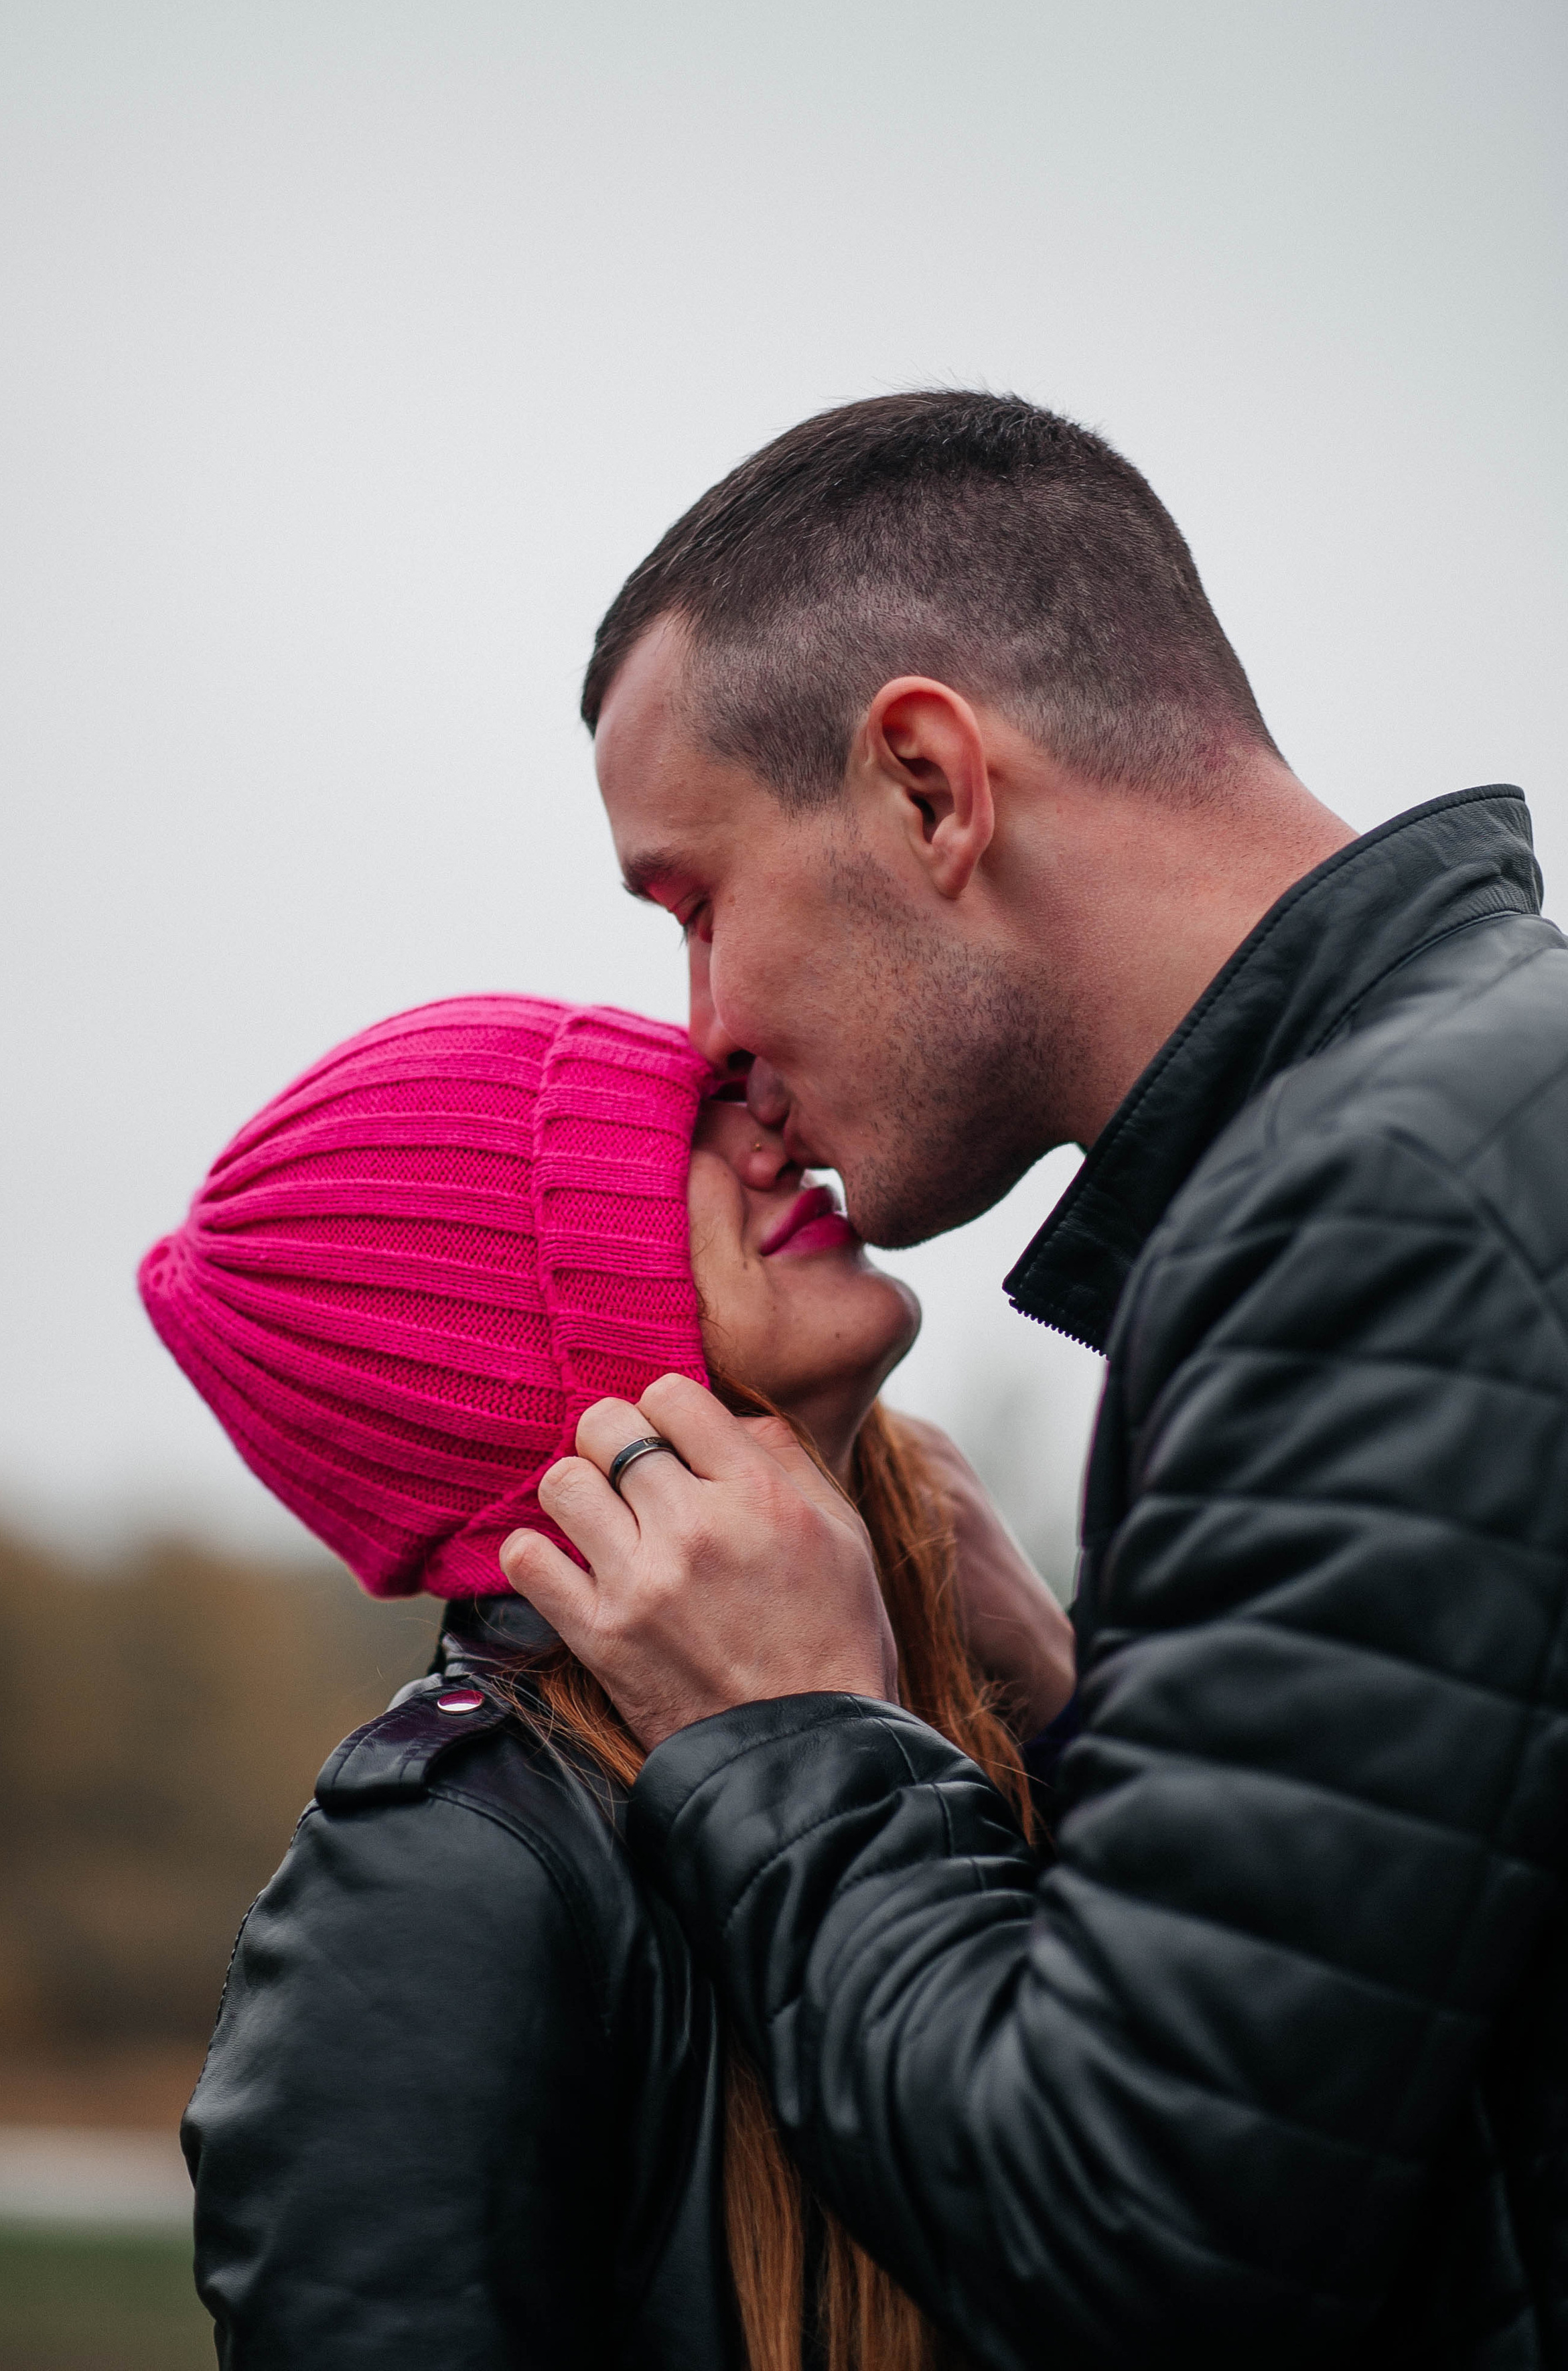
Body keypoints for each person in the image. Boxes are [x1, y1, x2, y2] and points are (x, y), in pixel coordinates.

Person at [502, 392, 1568, 2366]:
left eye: (694, 905)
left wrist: (797, 1728)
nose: (705, 1033)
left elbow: (1141, 2251)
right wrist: (1095, 1716)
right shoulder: (1486, 1112)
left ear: (928, 786)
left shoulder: (1369, 1217)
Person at [139, 992, 1070, 2370]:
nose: (765, 1130)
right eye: (653, 1146)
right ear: (504, 1342)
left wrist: (1061, 1719)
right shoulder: (446, 1874)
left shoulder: (959, 1681)